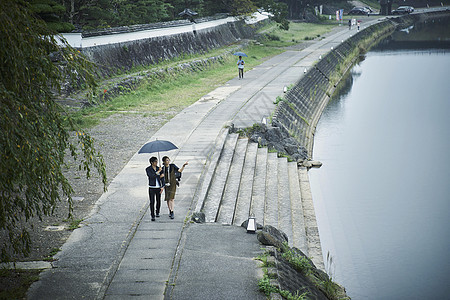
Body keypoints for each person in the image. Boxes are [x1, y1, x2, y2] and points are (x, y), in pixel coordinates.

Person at [146, 157, 164, 221]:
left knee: (158, 200)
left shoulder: (159, 168)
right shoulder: (148, 169)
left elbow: (162, 178)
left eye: (157, 161)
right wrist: (158, 173)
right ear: (152, 162)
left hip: (158, 187)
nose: (157, 163)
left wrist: (162, 186)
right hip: (152, 187)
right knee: (152, 201)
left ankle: (157, 212)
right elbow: (151, 176)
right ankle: (152, 215)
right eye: (155, 161)